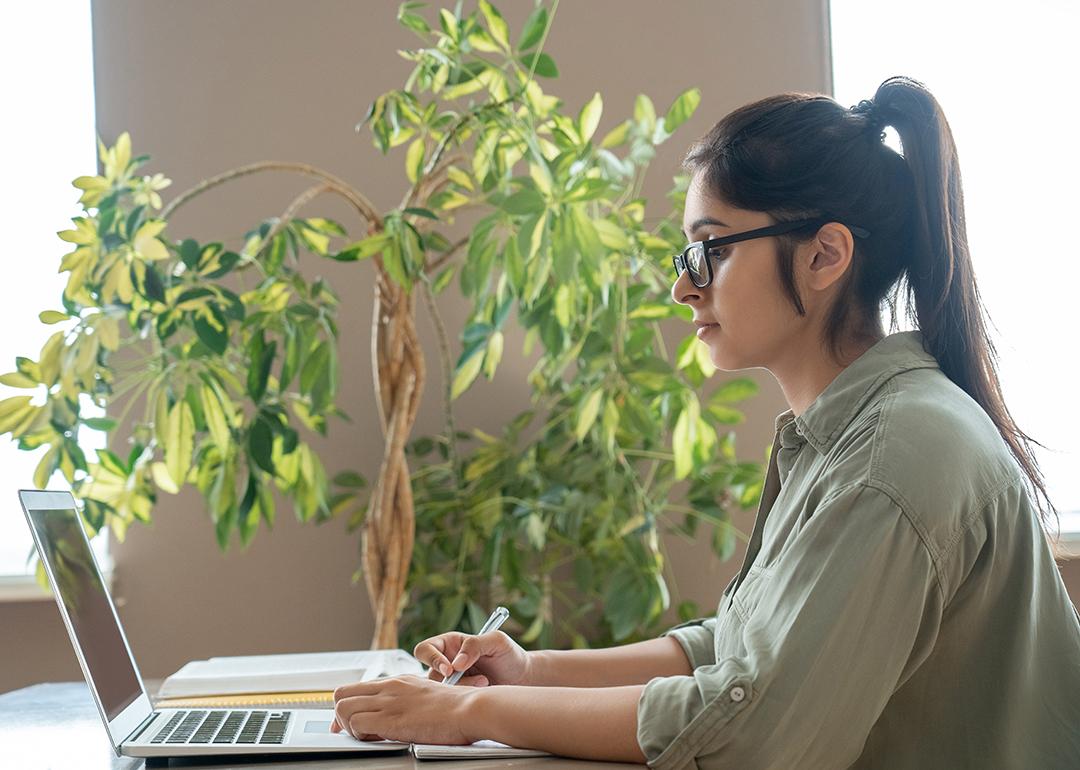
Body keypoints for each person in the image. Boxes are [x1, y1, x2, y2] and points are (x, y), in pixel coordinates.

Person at [330, 75, 1080, 767]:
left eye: (709, 250)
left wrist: (466, 711)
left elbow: (755, 728)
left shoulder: (894, 457)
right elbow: (741, 655)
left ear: (825, 256)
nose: (684, 285)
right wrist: (530, 672)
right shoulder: (851, 433)